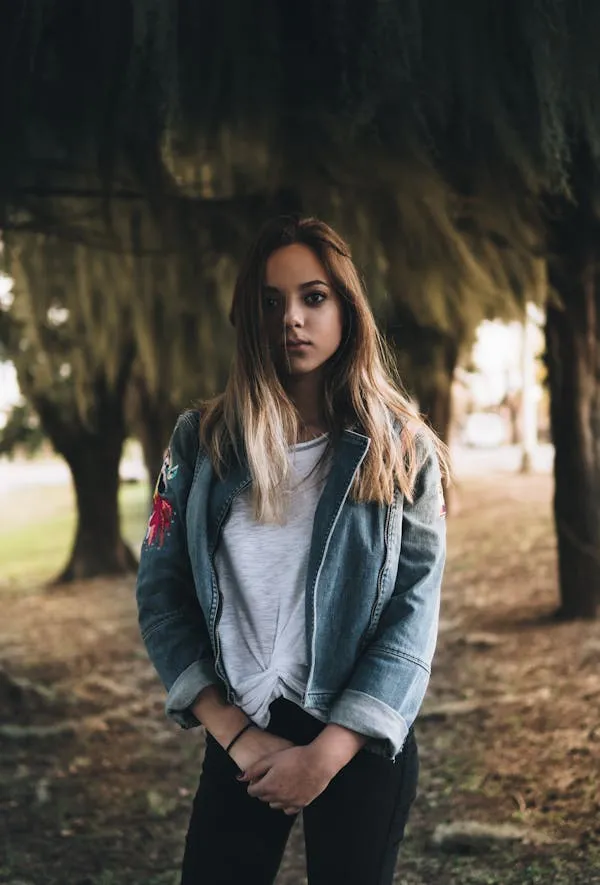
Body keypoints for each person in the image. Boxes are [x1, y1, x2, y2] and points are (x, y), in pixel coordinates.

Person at [136, 216, 448, 885]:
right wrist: (237, 734)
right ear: (248, 316)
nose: (292, 319)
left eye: (313, 297)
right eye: (271, 302)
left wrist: (325, 755)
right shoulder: (200, 442)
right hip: (242, 732)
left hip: (357, 739)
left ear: (346, 308)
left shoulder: (402, 449)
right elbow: (161, 596)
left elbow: (412, 617)